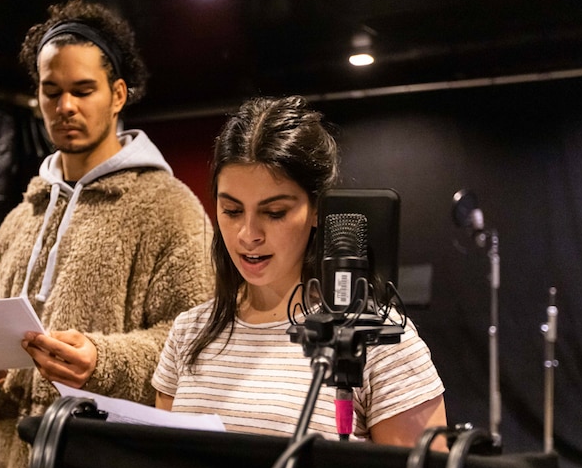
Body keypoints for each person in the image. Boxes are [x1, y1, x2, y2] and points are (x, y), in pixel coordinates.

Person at [0, 0, 213, 468]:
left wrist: (105, 359)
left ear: (118, 95)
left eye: (82, 90)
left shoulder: (168, 207)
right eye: (52, 91)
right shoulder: (23, 214)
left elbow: (196, 339)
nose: (65, 105)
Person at [152, 96, 446, 447]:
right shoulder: (188, 333)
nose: (248, 235)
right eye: (231, 211)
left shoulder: (378, 340)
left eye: (274, 212)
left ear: (318, 209)